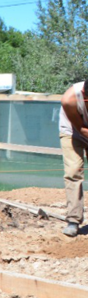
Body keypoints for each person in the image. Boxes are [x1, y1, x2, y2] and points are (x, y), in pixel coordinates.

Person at [59, 80, 88, 237]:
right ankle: (73, 221)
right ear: (84, 96)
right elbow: (81, 129)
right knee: (73, 171)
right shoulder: (69, 99)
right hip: (73, 131)